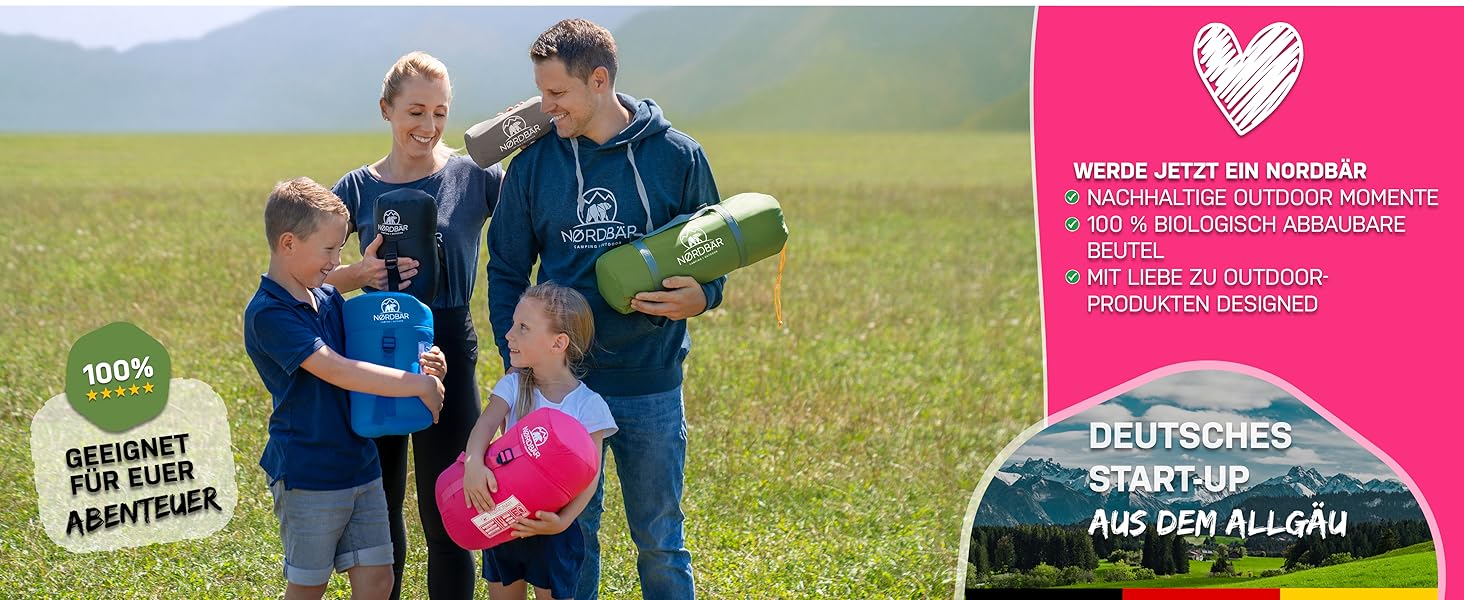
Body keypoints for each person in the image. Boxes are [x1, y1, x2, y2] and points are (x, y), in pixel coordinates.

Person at [486, 19, 724, 599]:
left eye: (557, 94)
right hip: (563, 390)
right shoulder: (534, 164)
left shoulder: (678, 156)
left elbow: (714, 254)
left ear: (599, 81)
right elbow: (507, 271)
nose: (544, 108)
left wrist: (704, 296)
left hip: (651, 384)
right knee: (572, 540)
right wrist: (520, 363)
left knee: (660, 538)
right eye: (540, 93)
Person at [328, 51, 504, 598]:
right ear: (386, 109)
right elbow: (306, 277)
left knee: (449, 506)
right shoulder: (355, 189)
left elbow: (534, 219)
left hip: (449, 342)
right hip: (374, 347)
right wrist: (359, 272)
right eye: (415, 112)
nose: (428, 127)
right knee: (381, 513)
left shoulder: (476, 176)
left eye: (440, 113)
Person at [243, 176, 447, 600]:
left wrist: (427, 363)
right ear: (288, 244)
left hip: (359, 462)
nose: (335, 259)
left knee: (378, 580)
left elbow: (375, 348)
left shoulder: (327, 297)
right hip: (309, 469)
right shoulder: (269, 314)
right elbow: (336, 369)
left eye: (339, 249)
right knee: (308, 587)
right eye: (329, 250)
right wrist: (415, 386)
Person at [461, 283, 617, 600]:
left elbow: (590, 476)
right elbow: (485, 425)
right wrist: (473, 462)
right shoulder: (514, 385)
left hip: (552, 529)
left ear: (558, 343)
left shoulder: (589, 406)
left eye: (523, 328)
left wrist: (562, 522)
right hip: (504, 518)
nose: (509, 335)